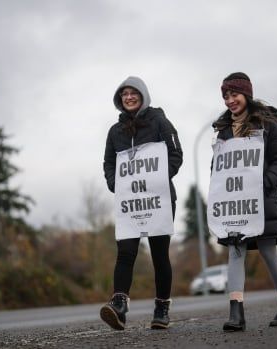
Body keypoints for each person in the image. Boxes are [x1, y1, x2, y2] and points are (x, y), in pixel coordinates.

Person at [209, 72, 277, 332]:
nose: (230, 100)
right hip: (235, 204)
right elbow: (219, 169)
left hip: (262, 202)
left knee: (269, 252)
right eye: (225, 96)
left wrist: (265, 183)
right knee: (235, 252)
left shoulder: (268, 126)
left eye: (234, 94)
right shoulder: (222, 132)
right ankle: (236, 312)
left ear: (246, 93)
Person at [101, 76, 183, 330]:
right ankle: (119, 305)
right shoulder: (115, 132)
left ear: (143, 95)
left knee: (160, 255)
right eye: (124, 94)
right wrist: (117, 184)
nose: (128, 97)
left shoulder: (159, 121)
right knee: (125, 252)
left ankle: (161, 308)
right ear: (120, 99)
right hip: (130, 202)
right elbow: (109, 163)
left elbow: (176, 154)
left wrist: (157, 179)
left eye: (133, 92)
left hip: (160, 198)